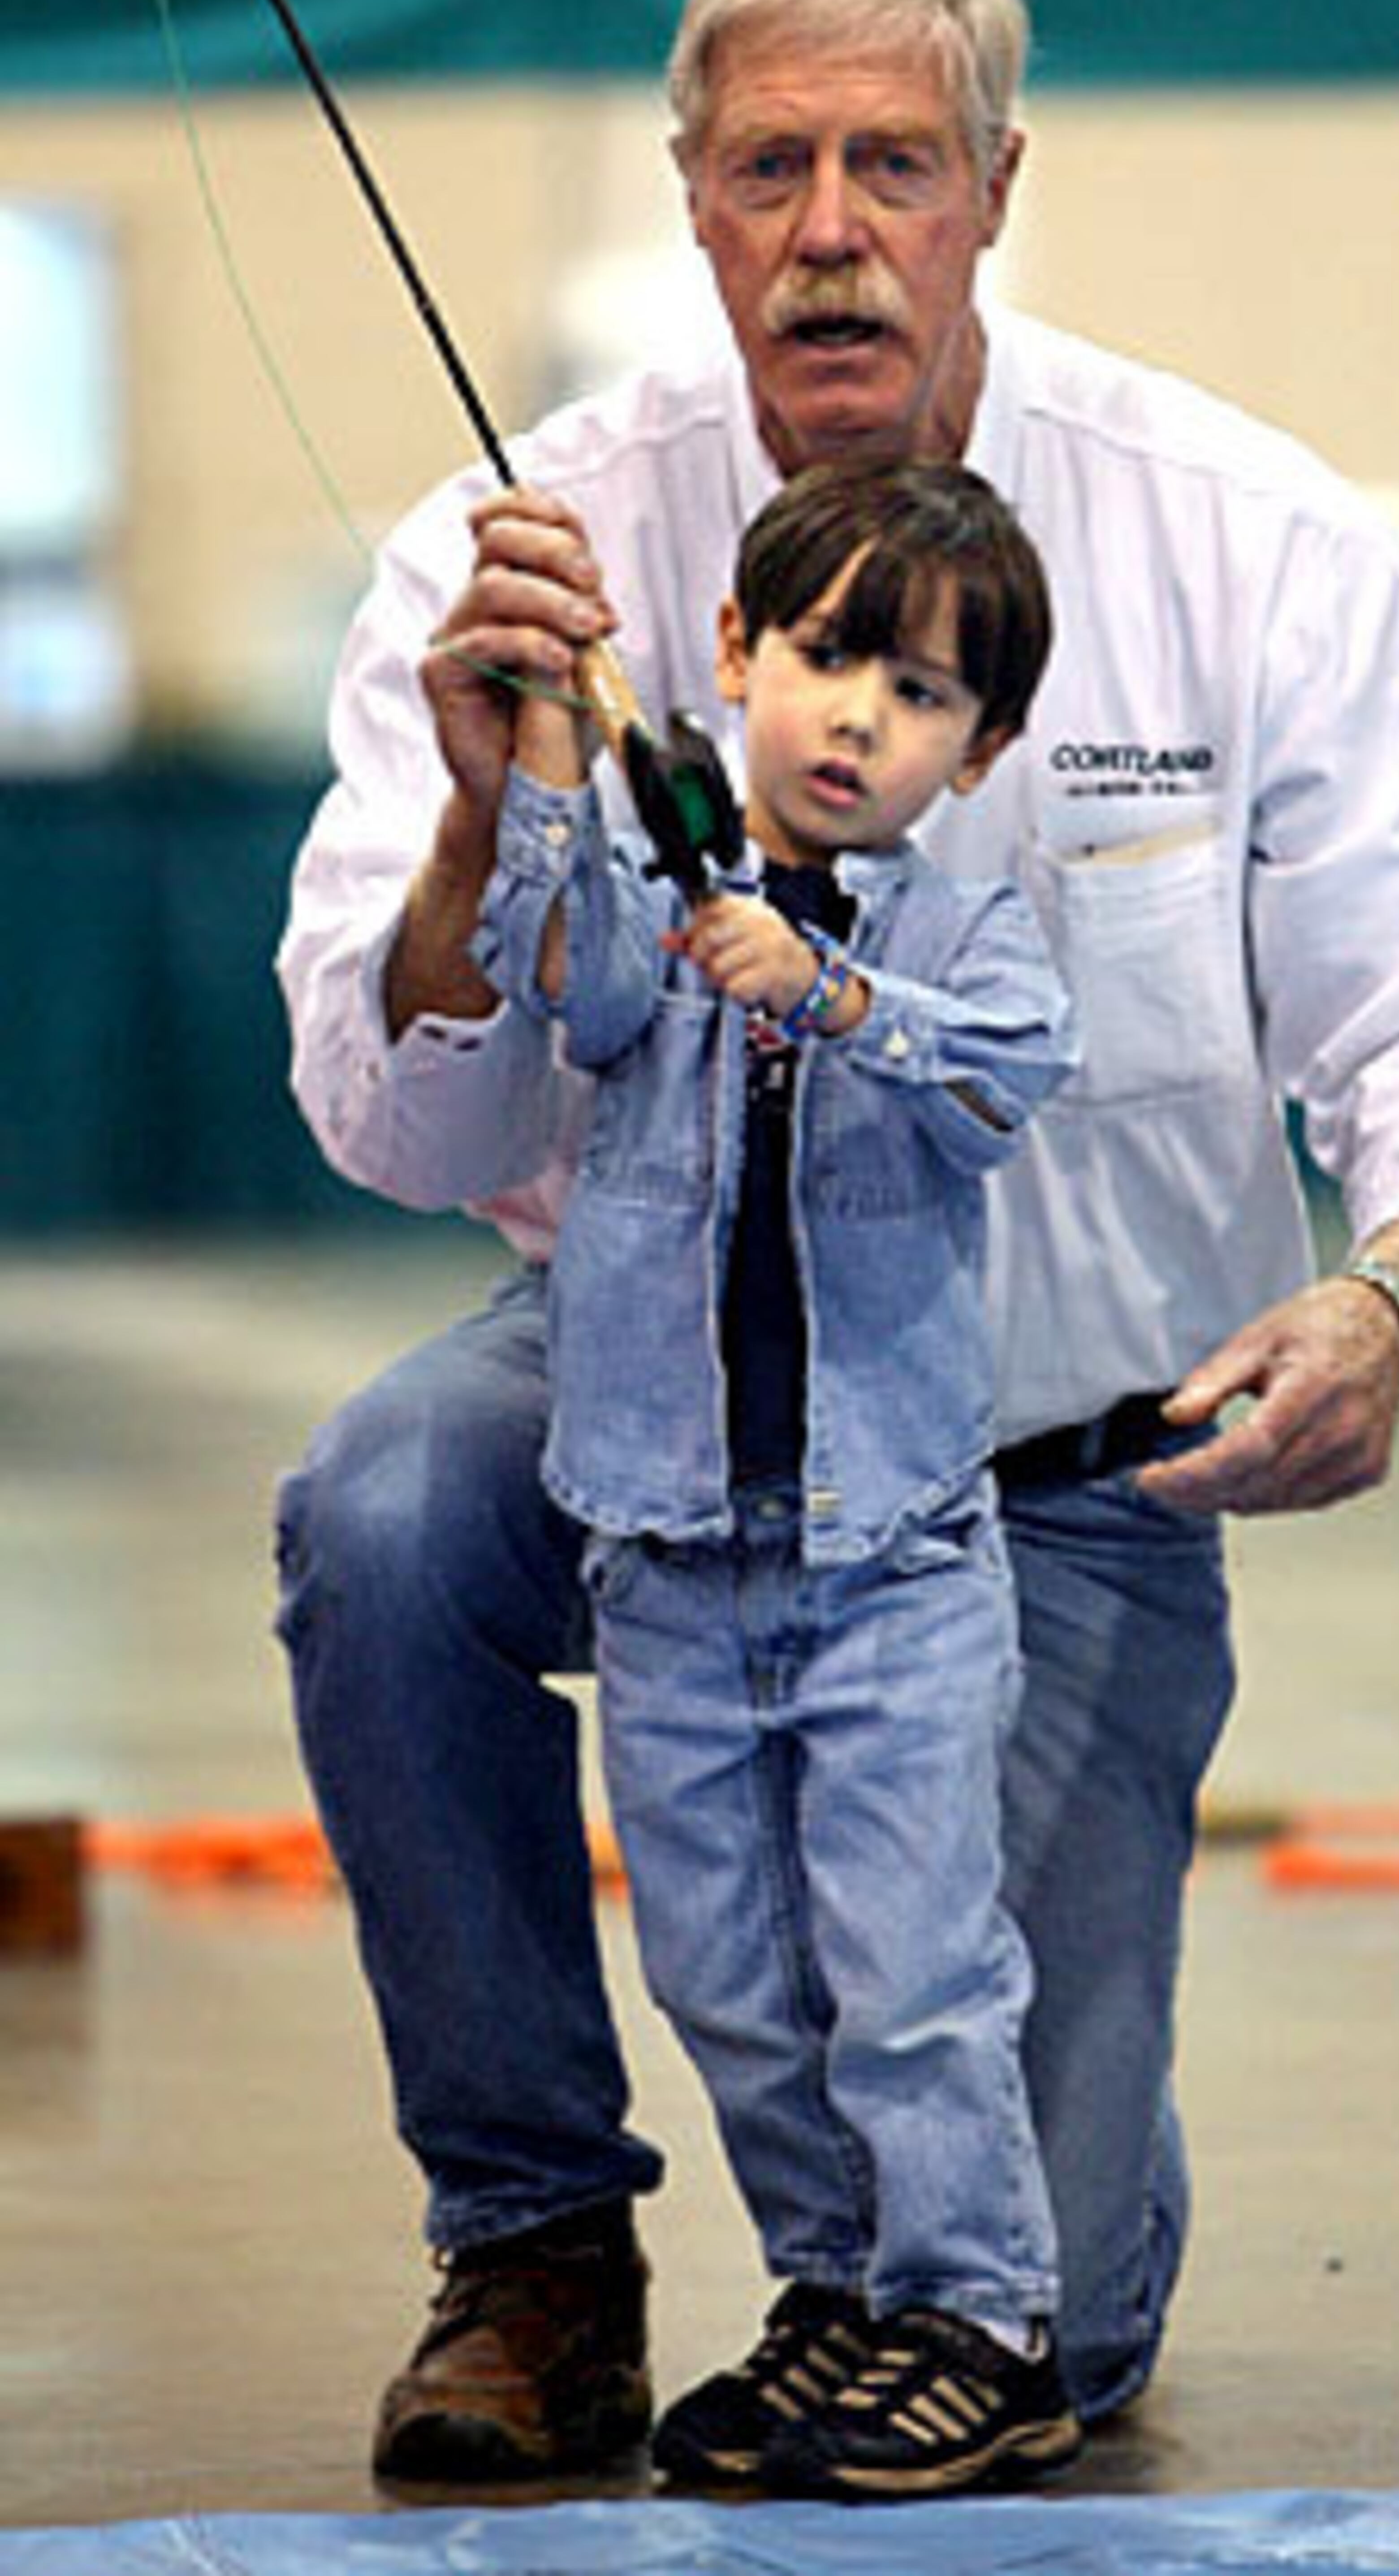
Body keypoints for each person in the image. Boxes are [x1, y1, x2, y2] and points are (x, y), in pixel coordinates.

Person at [274, 0, 1399, 2486]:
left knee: (1049, 2324)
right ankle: (534, 2246)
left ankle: (983, 2265)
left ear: (996, 187)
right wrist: (477, 825)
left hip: (1067, 1476)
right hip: (660, 1403)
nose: (830, 229)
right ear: (691, 198)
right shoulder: (513, 551)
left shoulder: (1250, 540)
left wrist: (1397, 1297)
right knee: (391, 1511)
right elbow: (403, 1129)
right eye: (770, 167)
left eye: (893, 163)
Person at [474, 457, 1079, 2499]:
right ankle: (837, 2290)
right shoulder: (653, 892)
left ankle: (979, 2316)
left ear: (978, 751)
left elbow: (1004, 1079)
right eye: (825, 656)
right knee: (730, 1976)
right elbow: (565, 982)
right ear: (733, 655)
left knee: (912, 1972)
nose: (856, 718)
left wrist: (830, 993)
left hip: (889, 1561)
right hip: (666, 1559)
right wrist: (550, 751)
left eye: (920, 695)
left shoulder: (974, 933)